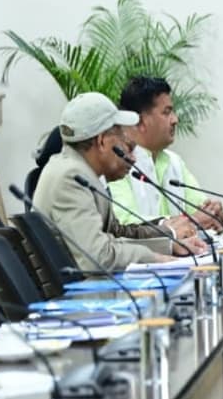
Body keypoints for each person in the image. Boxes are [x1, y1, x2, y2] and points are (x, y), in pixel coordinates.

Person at [33, 92, 197, 271]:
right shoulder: (71, 177)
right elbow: (97, 257)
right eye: (127, 147)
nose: (133, 159)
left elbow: (116, 235)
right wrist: (157, 259)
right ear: (102, 141)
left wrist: (169, 245)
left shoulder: (82, 172)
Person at [107, 77, 223, 231]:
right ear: (141, 121)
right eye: (167, 112)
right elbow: (125, 223)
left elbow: (200, 209)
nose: (175, 119)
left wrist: (213, 214)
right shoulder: (118, 163)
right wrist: (191, 222)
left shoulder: (174, 161)